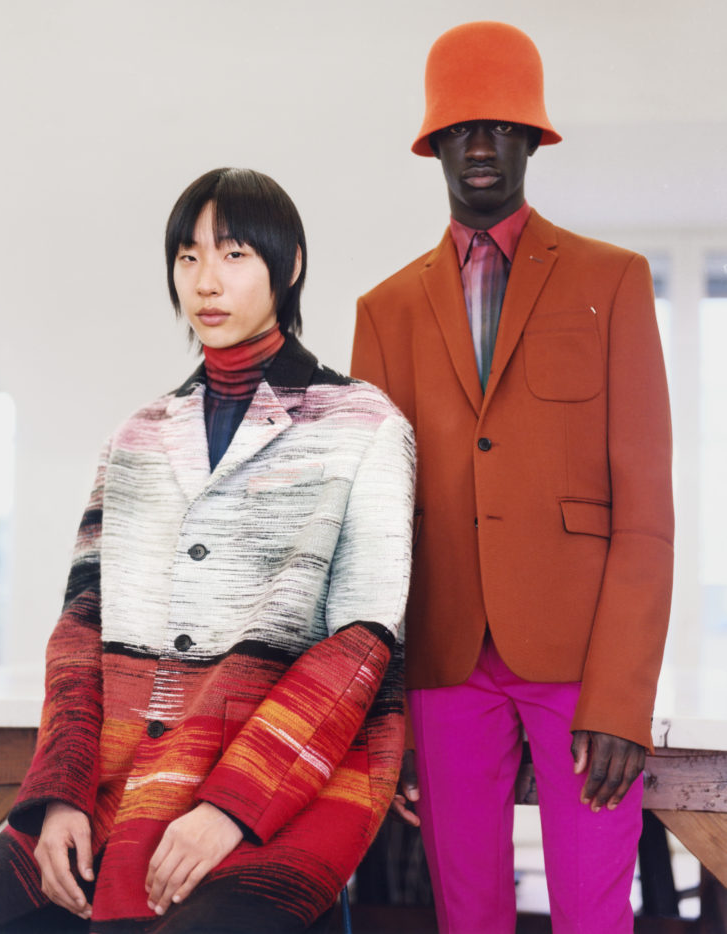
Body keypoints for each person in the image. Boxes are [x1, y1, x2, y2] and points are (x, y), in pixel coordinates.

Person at [0, 167, 415, 934]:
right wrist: (61, 795)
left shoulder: (364, 427)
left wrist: (230, 809)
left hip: (292, 781)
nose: (206, 281)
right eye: (188, 256)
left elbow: (362, 642)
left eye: (234, 254)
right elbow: (81, 627)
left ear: (290, 265)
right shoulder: (138, 437)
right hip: (120, 774)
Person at [351, 21, 673, 934]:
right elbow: (376, 531)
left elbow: (646, 511)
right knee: (470, 915)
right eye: (460, 128)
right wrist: (387, 712)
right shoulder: (385, 311)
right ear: (435, 145)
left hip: (581, 662)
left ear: (532, 137)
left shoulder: (613, 282)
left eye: (499, 125)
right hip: (443, 663)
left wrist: (622, 697)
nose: (481, 146)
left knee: (593, 914)